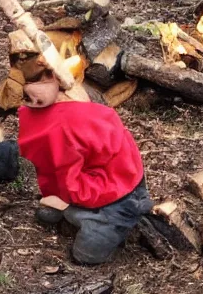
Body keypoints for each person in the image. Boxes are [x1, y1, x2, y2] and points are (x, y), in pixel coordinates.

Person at [18, 66, 152, 264]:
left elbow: (71, 182)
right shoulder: (66, 107)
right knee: (59, 179)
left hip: (119, 190)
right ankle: (73, 210)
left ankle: (110, 220)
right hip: (101, 173)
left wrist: (66, 199)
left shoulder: (63, 133)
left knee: (86, 253)